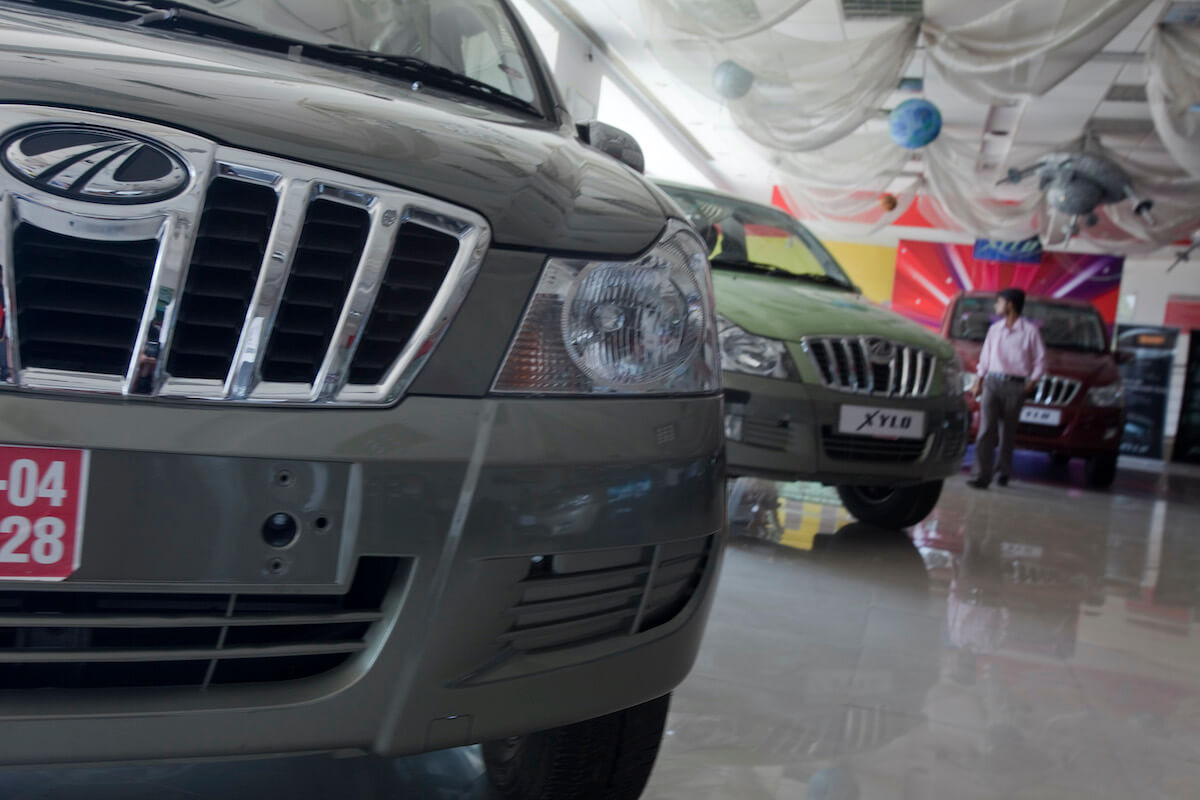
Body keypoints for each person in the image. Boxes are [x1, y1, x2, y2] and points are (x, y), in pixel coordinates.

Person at [968, 288, 1046, 489]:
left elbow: (1040, 360)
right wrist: (979, 381)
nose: (996, 306)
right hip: (992, 382)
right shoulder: (995, 330)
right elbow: (985, 358)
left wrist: (1032, 382)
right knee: (986, 430)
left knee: (1007, 432)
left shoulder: (1030, 331)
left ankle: (1003, 472)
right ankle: (980, 475)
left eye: (999, 302)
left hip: (1016, 385)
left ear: (1010, 305)